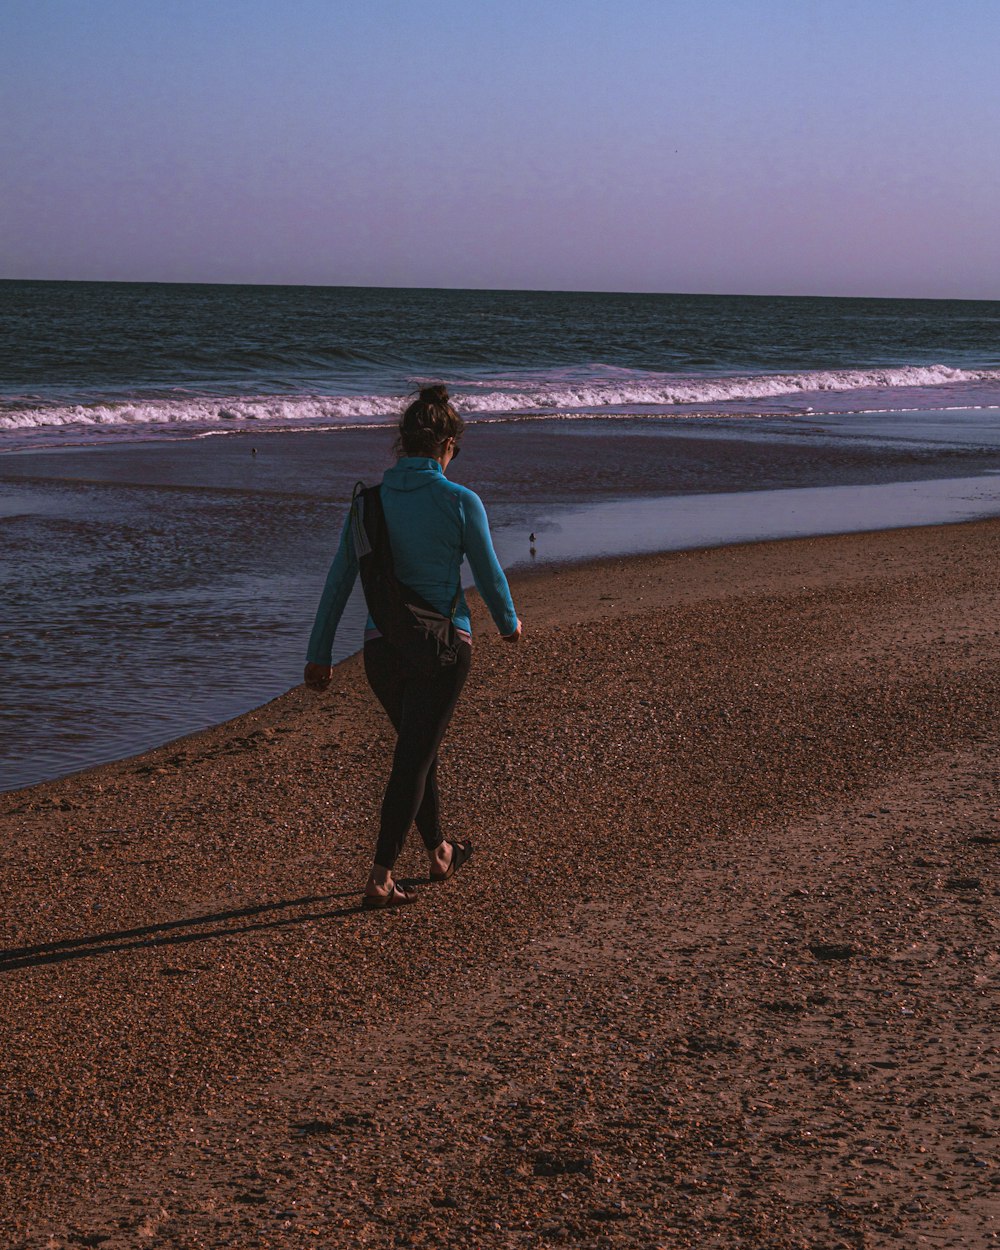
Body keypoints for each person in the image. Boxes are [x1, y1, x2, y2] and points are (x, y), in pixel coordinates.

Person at [304, 385, 522, 910]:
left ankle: (440, 852)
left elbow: (339, 581)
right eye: (455, 449)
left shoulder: (368, 503)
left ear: (402, 444)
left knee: (417, 751)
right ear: (447, 443)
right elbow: (489, 574)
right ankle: (380, 877)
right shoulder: (459, 501)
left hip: (381, 651)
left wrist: (320, 653)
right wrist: (510, 624)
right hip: (442, 649)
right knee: (413, 757)